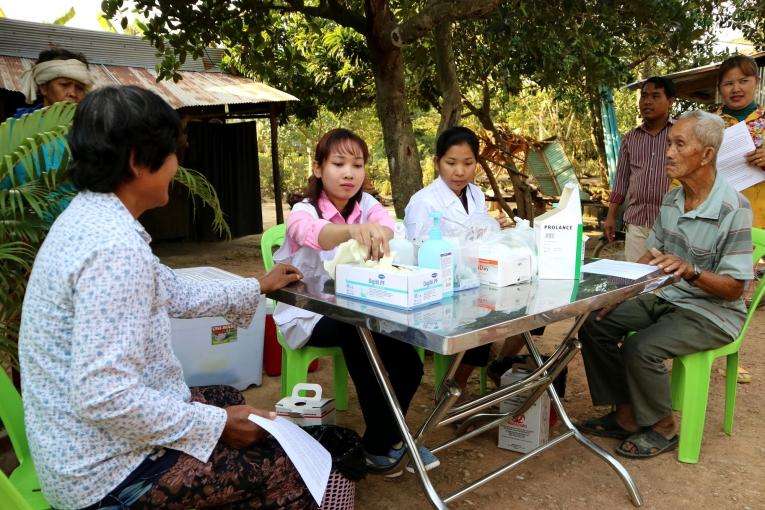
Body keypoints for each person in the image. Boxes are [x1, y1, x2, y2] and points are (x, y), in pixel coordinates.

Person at [19, 85, 314, 509]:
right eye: (173, 153)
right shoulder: (114, 250)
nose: (178, 165)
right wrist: (213, 425)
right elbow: (105, 397)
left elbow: (173, 290)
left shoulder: (91, 218)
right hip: (104, 474)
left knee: (228, 399)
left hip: (73, 446)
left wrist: (257, 286)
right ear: (139, 160)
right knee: (278, 464)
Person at [578, 110, 753, 459]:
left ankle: (663, 426)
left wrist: (692, 272)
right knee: (594, 324)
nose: (668, 152)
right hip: (670, 295)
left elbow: (735, 289)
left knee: (642, 348)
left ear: (706, 155)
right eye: (669, 143)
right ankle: (627, 414)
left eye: (679, 144)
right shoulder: (673, 199)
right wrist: (619, 291)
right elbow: (652, 256)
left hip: (713, 312)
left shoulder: (734, 208)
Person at [271, 128, 437, 475]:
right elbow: (313, 235)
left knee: (407, 358)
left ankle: (388, 436)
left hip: (359, 305)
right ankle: (385, 444)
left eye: (357, 165)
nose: (349, 173)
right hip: (307, 313)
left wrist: (377, 230)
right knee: (358, 335)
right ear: (318, 168)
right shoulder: (304, 210)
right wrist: (351, 231)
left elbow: (389, 228)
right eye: (338, 163)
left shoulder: (367, 204)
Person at [404, 126, 519, 396]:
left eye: (468, 163)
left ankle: (499, 364)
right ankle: (455, 386)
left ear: (476, 164)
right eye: (451, 163)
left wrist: (492, 228)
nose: (459, 172)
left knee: (524, 310)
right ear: (437, 162)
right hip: (439, 288)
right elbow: (417, 253)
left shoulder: (476, 194)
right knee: (481, 317)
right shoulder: (423, 202)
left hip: (473, 278)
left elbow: (477, 236)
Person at [716, 54, 763, 383]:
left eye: (743, 81)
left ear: (756, 84)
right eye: (728, 83)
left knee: (741, 288)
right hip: (716, 215)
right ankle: (706, 342)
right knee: (711, 284)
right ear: (719, 89)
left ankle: (732, 350)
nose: (736, 88)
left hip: (756, 217)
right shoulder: (711, 125)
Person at [604, 76, 677, 262]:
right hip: (637, 223)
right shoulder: (630, 138)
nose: (647, 101)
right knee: (635, 281)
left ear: (669, 101)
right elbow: (621, 181)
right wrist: (611, 216)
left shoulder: (681, 134)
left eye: (655, 96)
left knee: (668, 282)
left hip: (673, 224)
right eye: (644, 96)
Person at [17, 47, 92, 116]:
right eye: (65, 84)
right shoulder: (17, 124)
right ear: (44, 88)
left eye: (80, 88)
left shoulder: (93, 127)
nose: (73, 94)